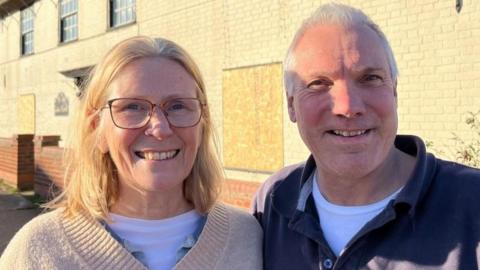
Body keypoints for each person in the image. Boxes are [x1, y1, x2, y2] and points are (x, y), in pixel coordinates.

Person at [0, 36, 262, 270]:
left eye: (178, 106)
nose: (159, 128)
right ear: (96, 130)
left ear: (203, 123)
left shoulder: (248, 237)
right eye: (132, 107)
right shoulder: (40, 250)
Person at [252, 2, 480, 269]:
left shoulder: (472, 204)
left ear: (394, 93)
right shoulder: (274, 202)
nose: (348, 107)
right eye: (318, 84)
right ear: (291, 105)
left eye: (370, 78)